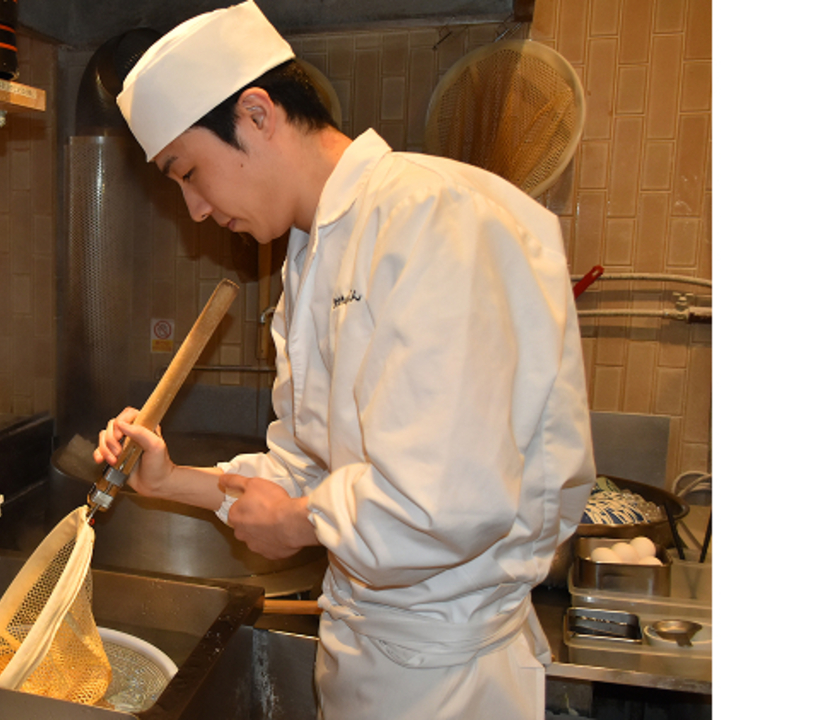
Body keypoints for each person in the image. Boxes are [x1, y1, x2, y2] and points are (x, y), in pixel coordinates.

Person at [93, 2, 596, 718]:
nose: (195, 210)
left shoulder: (435, 216)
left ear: (258, 113)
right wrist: (172, 482)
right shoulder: (312, 254)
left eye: (189, 173)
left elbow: (448, 500)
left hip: (447, 680)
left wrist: (302, 522)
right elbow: (308, 470)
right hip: (364, 655)